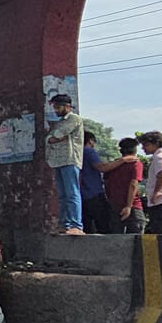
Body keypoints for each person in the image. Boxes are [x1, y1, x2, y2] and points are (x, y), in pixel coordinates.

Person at [44, 94, 85, 235]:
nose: (55, 110)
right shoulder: (60, 121)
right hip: (58, 161)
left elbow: (57, 135)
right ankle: (65, 224)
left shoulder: (74, 119)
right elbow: (50, 138)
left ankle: (76, 224)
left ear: (67, 106)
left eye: (57, 107)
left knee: (72, 193)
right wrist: (52, 138)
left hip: (70, 159)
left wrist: (52, 138)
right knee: (62, 195)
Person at [98, 137, 146, 235]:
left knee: (115, 238)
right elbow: (133, 184)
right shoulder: (136, 163)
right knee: (137, 238)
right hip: (133, 205)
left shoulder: (114, 165)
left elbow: (107, 183)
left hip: (115, 206)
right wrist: (128, 206)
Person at [80, 132, 111, 235]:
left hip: (82, 193)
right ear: (90, 141)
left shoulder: (77, 153)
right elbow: (102, 167)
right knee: (104, 225)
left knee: (87, 227)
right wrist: (122, 160)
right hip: (94, 192)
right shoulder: (89, 151)